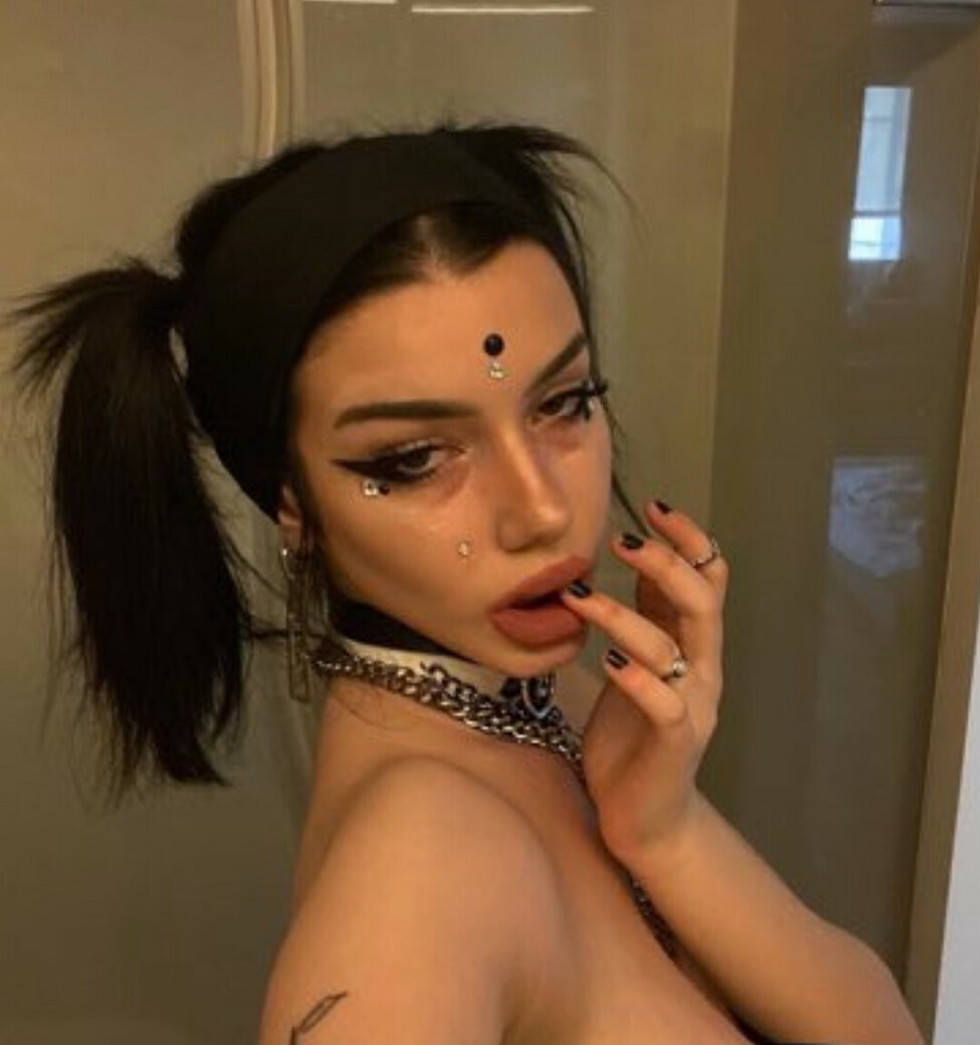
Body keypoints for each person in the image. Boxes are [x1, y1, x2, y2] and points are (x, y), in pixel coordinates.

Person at [11, 122, 924, 1044]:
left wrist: (669, 830)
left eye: (563, 403)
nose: (541, 510)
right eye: (414, 457)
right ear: (291, 503)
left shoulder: (550, 697)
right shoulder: (414, 881)